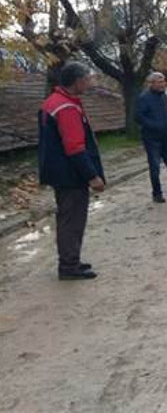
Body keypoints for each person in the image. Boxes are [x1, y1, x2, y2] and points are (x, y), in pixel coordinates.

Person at [37, 62, 105, 280]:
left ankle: (71, 259)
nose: (89, 82)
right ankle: (68, 266)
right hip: (69, 174)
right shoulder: (65, 107)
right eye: (87, 78)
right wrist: (92, 175)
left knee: (69, 218)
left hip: (60, 171)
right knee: (72, 220)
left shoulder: (56, 101)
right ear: (77, 81)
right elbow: (75, 147)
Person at [136, 72, 167, 203]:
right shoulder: (144, 98)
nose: (163, 84)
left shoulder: (164, 96)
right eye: (160, 81)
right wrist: (155, 126)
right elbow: (139, 117)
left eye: (163, 81)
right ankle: (157, 193)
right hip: (152, 138)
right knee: (155, 166)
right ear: (151, 83)